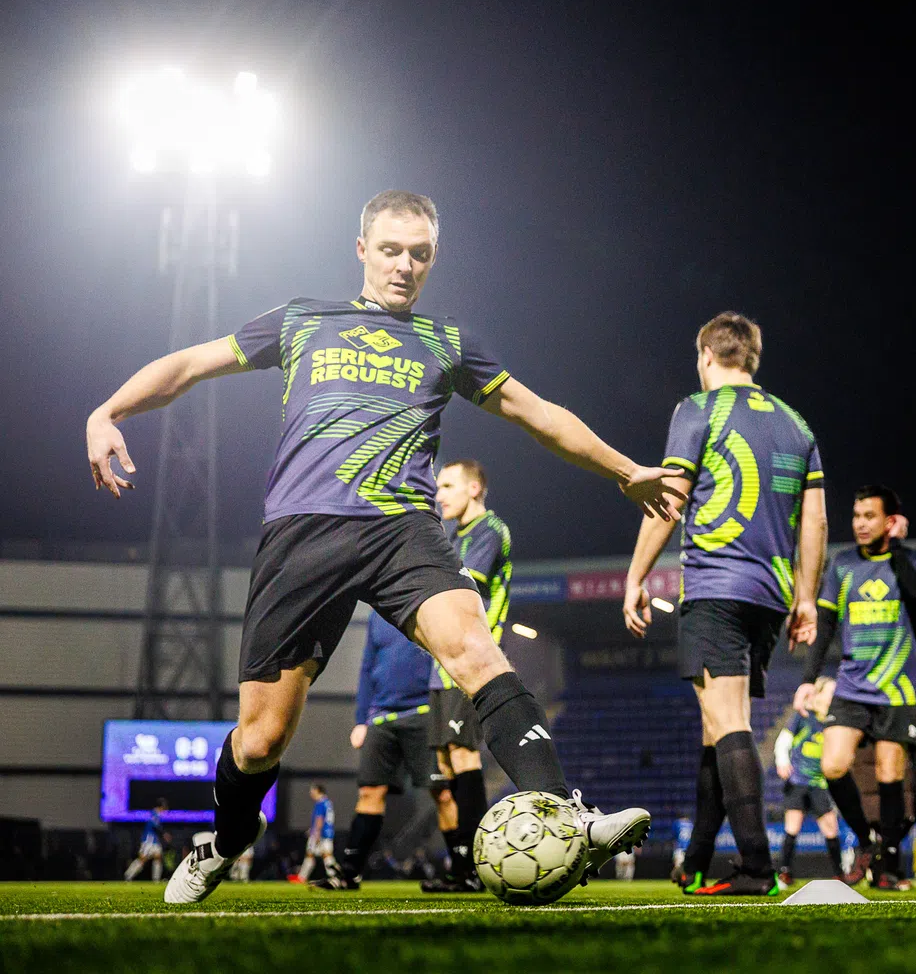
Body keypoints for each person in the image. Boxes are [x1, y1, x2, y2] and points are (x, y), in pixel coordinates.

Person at [86, 190, 674, 905]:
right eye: (391, 250)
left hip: (403, 530)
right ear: (362, 249)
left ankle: (564, 813)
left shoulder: (447, 342)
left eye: (419, 254)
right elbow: (188, 365)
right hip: (303, 532)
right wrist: (109, 410)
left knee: (476, 650)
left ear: (433, 258)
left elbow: (539, 413)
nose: (404, 266)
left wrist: (625, 469)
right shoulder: (303, 320)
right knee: (261, 740)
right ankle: (225, 839)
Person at [622, 312, 827, 896]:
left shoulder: (697, 409)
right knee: (716, 729)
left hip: (715, 589)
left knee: (728, 722)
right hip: (770, 597)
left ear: (706, 355)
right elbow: (815, 520)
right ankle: (695, 861)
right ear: (752, 357)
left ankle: (758, 866)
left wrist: (636, 576)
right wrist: (806, 598)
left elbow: (670, 500)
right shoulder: (795, 422)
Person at [796, 486, 916, 891]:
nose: (860, 523)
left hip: (898, 687)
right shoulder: (842, 565)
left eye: (870, 516)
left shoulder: (913, 560)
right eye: (857, 515)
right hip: (852, 685)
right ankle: (867, 842)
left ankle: (889, 867)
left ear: (889, 521)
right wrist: (807, 680)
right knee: (832, 765)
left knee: (890, 773)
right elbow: (825, 628)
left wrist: (898, 546)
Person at [420, 458, 512, 893]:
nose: (439, 495)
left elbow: (458, 587)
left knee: (463, 757)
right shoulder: (455, 535)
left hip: (471, 664)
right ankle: (460, 867)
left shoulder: (489, 531)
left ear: (474, 488)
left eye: (448, 486)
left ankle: (477, 867)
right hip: (441, 668)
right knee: (444, 769)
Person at [313, 613, 435, 889]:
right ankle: (349, 873)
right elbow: (367, 667)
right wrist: (360, 720)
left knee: (442, 792)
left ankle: (464, 872)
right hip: (380, 717)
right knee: (369, 793)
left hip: (423, 711)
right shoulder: (377, 617)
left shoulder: (428, 603)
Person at [773, 679, 844, 886]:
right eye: (830, 692)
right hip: (797, 782)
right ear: (818, 695)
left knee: (831, 828)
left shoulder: (832, 721)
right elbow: (784, 740)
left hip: (819, 784)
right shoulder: (803, 716)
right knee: (792, 828)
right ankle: (784, 872)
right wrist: (782, 761)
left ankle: (839, 874)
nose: (833, 697)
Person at [292, 784, 336, 883]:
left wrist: (316, 833)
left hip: (321, 834)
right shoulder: (328, 803)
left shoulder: (320, 803)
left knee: (326, 856)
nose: (311, 793)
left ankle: (336, 876)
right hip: (327, 833)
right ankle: (302, 877)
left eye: (312, 791)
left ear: (318, 791)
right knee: (312, 855)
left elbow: (319, 819)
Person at [124, 799, 169, 881]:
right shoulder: (154, 814)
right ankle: (128, 875)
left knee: (158, 857)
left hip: (155, 841)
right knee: (142, 859)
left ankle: (156, 879)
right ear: (161, 807)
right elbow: (155, 826)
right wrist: (164, 834)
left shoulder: (157, 815)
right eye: (164, 808)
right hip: (148, 840)